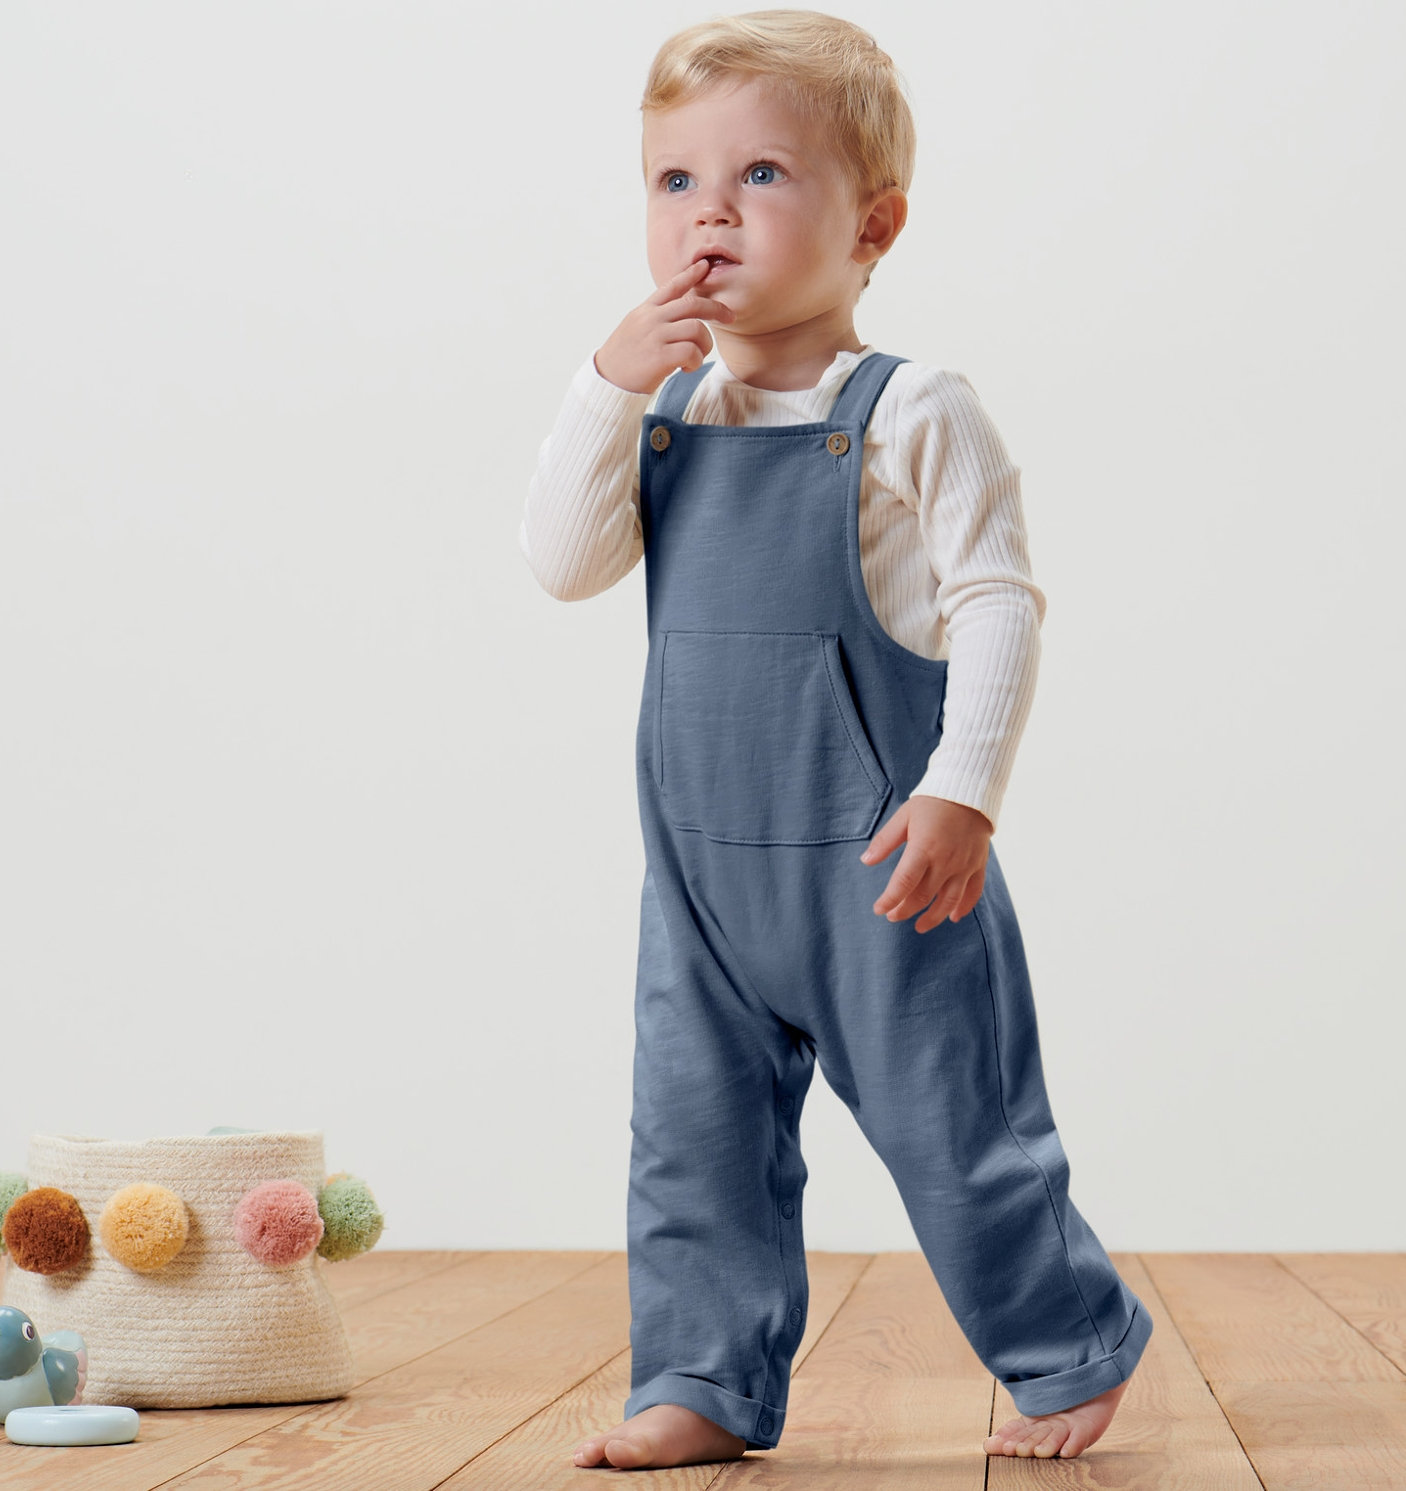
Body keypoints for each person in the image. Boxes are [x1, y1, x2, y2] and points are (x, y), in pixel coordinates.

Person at [517, 9, 1153, 1471]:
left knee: (957, 1127)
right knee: (691, 1143)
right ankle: (699, 1379)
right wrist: (606, 382)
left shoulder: (912, 409)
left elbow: (996, 602)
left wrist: (963, 794)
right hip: (700, 881)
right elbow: (561, 563)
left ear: (873, 224)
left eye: (758, 177)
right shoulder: (665, 409)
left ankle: (1067, 1346)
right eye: (674, 182)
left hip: (881, 864)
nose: (708, 216)